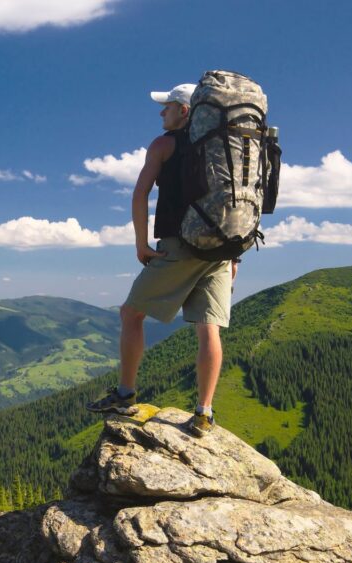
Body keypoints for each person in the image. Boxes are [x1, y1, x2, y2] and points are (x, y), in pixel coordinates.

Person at [85, 83, 239, 437]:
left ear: (184, 111)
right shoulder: (225, 147)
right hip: (222, 249)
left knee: (130, 313)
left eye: (167, 106)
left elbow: (140, 193)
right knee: (208, 328)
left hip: (180, 245)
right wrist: (235, 254)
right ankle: (204, 413)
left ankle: (124, 395)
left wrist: (141, 243)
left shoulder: (164, 145)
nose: (161, 112)